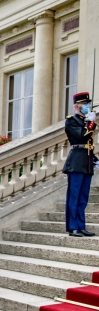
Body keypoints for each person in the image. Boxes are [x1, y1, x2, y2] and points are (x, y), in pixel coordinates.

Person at [63, 91, 98, 237]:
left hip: (87, 161)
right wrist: (91, 124)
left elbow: (89, 144)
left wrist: (95, 159)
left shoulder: (85, 122)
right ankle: (73, 227)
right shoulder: (71, 121)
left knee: (83, 197)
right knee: (74, 196)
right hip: (76, 161)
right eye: (84, 104)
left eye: (88, 104)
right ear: (77, 106)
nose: (87, 106)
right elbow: (81, 137)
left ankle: (81, 226)